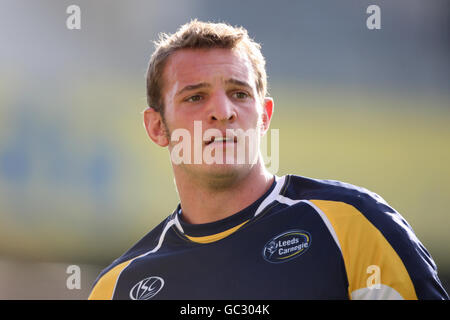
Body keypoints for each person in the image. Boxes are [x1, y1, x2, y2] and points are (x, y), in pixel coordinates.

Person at [88, 20, 448, 300]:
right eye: (195, 98)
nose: (223, 111)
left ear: (264, 116)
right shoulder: (118, 287)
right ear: (157, 127)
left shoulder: (355, 226)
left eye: (239, 93)